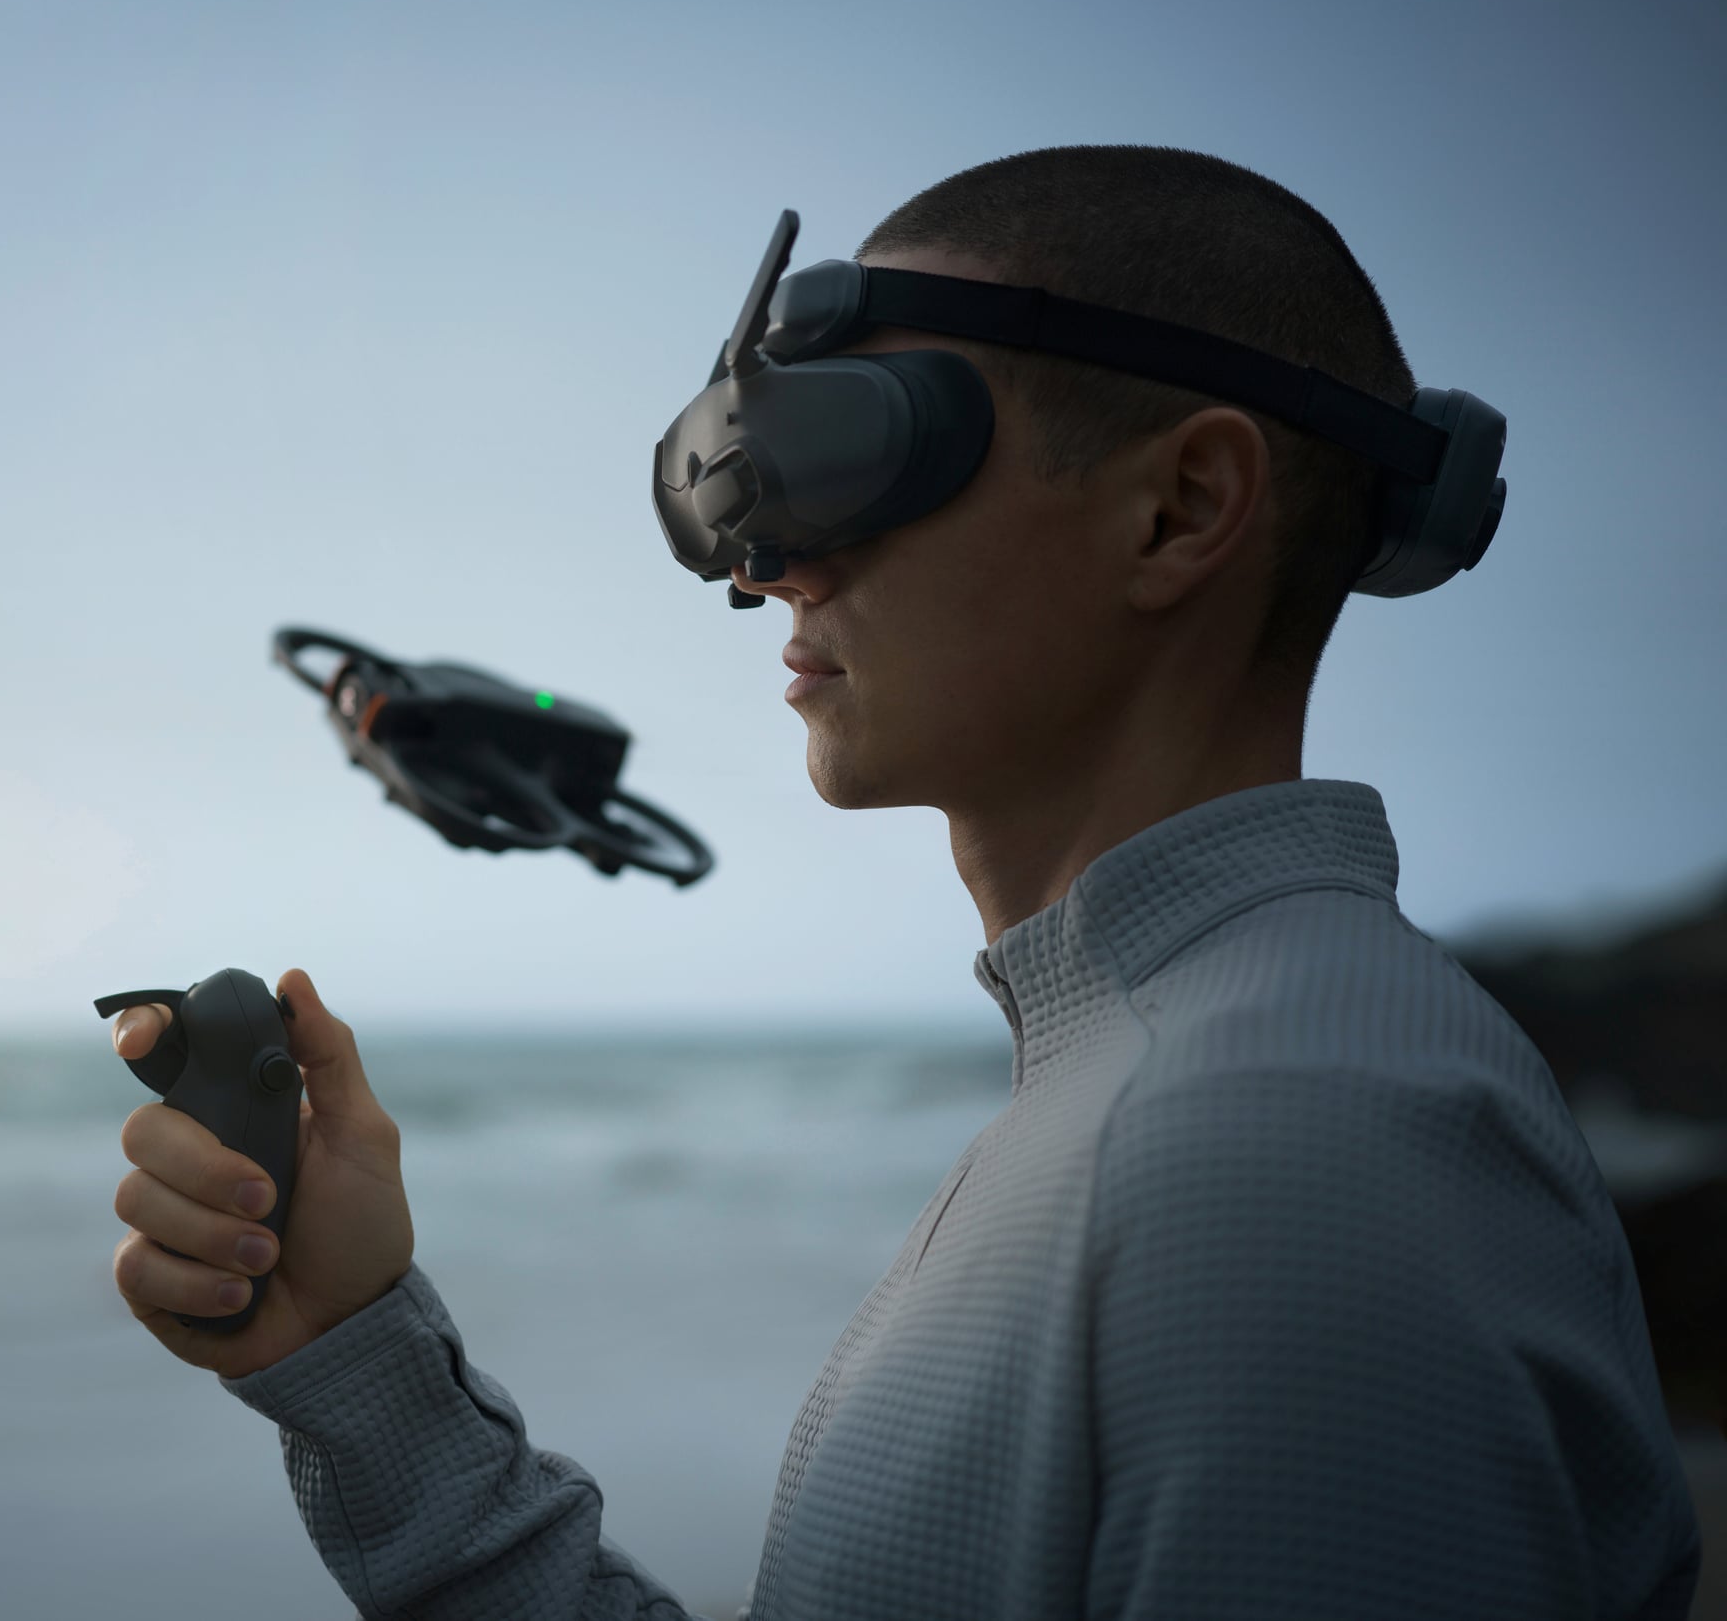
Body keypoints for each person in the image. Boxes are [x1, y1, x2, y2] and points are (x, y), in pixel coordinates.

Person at [100, 147, 1705, 1619]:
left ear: (1182, 508)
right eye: (743, 482)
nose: (765, 564)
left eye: (848, 452)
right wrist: (356, 1357)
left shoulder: (1288, 1152)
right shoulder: (1161, 1085)